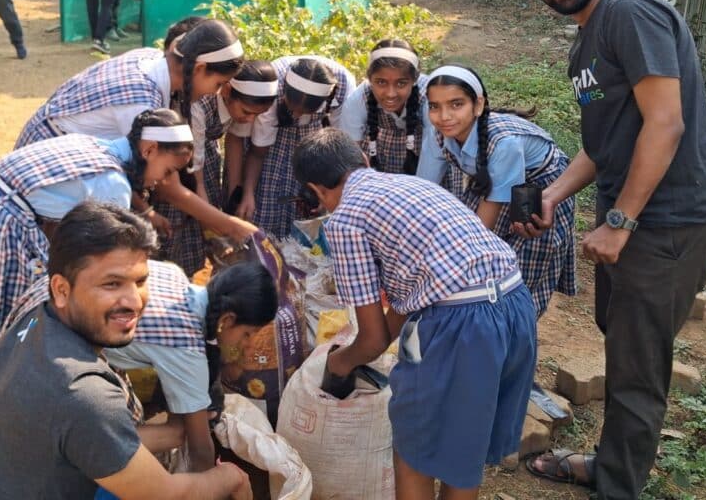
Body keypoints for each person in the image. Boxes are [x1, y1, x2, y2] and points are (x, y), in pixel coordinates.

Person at [519, 0, 706, 499]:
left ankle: (616, 486)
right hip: (634, 218)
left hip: (669, 221)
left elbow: (666, 122)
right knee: (622, 338)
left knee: (638, 371)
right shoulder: (587, 39)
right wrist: (554, 195)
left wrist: (619, 221)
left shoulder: (630, 13)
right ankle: (612, 463)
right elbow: (603, 140)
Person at [0, 201, 253, 500]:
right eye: (112, 284)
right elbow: (164, 493)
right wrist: (230, 477)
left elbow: (82, 437)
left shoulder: (37, 322)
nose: (134, 302)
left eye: (139, 281)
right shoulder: (83, 393)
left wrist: (176, 432)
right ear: (61, 289)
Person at [293, 128, 536, 500]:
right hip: (514, 307)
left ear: (317, 189)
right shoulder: (412, 186)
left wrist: (340, 364)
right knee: (462, 445)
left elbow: (372, 340)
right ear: (365, 160)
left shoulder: (345, 220)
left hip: (461, 324)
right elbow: (407, 304)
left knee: (415, 448)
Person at [0, 108, 195, 389]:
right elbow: (101, 259)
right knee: (10, 306)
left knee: (0, 302)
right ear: (150, 149)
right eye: (168, 171)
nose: (164, 180)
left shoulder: (102, 145)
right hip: (3, 222)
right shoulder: (112, 183)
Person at [8, 258, 278, 472]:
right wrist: (212, 484)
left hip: (37, 316)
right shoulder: (186, 349)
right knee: (177, 433)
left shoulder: (174, 276)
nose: (248, 345)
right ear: (227, 320)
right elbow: (201, 451)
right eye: (248, 334)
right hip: (48, 359)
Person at [416, 64, 577, 316]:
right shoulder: (439, 134)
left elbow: (481, 231)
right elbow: (424, 192)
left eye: (456, 104)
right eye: (435, 106)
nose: (444, 116)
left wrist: (454, 264)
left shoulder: (504, 144)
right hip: (491, 184)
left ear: (478, 105)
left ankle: (514, 326)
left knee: (519, 268)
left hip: (540, 189)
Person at [15, 18, 243, 148]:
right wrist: (229, 224)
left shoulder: (149, 57)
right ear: (200, 68)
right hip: (47, 151)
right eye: (218, 83)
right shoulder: (143, 103)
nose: (216, 93)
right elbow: (160, 179)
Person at [158, 60, 279, 276]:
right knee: (183, 227)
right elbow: (196, 169)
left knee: (207, 223)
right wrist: (205, 200)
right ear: (228, 90)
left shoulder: (241, 105)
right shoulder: (198, 105)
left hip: (207, 159)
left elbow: (234, 141)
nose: (250, 119)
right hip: (181, 165)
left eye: (257, 115)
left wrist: (234, 193)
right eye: (247, 112)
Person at [236, 56, 356, 239]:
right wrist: (248, 194)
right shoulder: (272, 86)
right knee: (264, 208)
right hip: (273, 146)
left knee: (307, 210)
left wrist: (328, 195)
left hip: (316, 141)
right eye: (293, 109)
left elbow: (337, 146)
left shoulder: (343, 86)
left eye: (304, 112)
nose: (297, 115)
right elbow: (257, 153)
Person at [336, 39, 427, 175]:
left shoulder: (429, 97)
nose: (390, 94)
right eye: (381, 82)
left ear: (414, 79)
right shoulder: (359, 99)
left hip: (426, 163)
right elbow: (349, 154)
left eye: (401, 83)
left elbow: (435, 152)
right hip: (378, 161)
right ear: (369, 78)